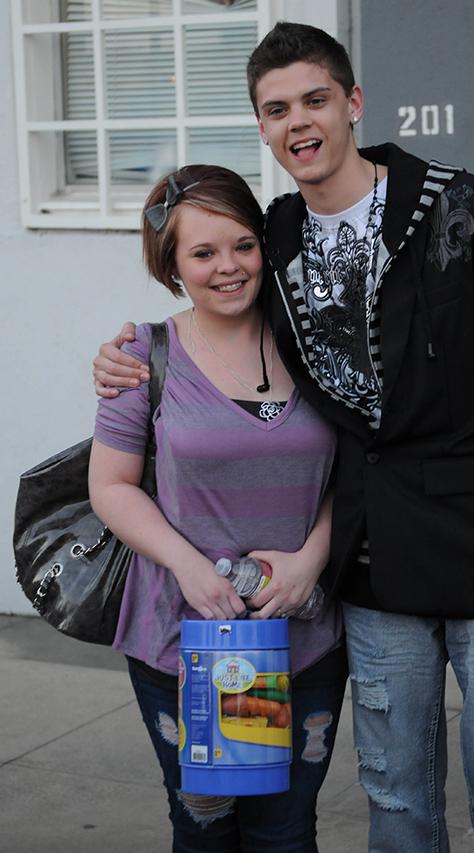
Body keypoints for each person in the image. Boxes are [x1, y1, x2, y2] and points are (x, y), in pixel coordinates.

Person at [92, 22, 474, 853]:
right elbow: (204, 325)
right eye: (277, 108)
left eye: (316, 99)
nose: (300, 122)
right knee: (396, 801)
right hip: (374, 560)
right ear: (261, 126)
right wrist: (120, 360)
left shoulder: (463, 210)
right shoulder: (277, 239)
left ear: (354, 102)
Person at [88, 163, 347, 853]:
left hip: (302, 638)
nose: (228, 267)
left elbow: (357, 470)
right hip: (183, 643)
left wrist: (310, 562)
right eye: (202, 252)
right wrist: (187, 565)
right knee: (206, 826)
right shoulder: (145, 356)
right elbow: (110, 485)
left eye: (242, 244)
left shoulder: (315, 345)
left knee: (285, 831)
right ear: (172, 265)